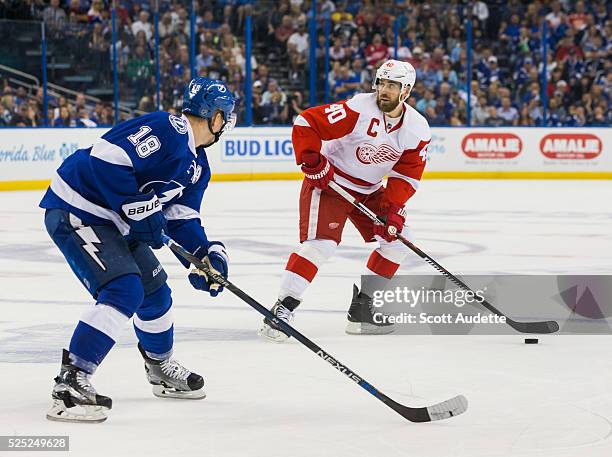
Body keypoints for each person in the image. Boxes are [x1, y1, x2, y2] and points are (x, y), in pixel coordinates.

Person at [39, 77, 237, 423]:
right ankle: (70, 384)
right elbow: (107, 157)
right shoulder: (168, 128)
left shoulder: (198, 166)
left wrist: (207, 255)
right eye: (226, 116)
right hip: (79, 209)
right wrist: (136, 205)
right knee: (123, 289)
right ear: (215, 116)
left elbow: (181, 219)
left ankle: (160, 366)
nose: (226, 124)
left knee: (155, 294)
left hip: (116, 221)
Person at [259, 59, 431, 342]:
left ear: (406, 91)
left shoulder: (417, 128)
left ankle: (363, 309)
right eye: (382, 83)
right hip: (331, 183)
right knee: (321, 245)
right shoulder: (358, 109)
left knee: (399, 240)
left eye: (392, 85)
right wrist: (312, 162)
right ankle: (282, 308)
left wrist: (393, 210)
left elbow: (406, 176)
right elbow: (307, 122)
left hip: (369, 189)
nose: (384, 91)